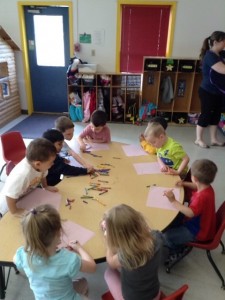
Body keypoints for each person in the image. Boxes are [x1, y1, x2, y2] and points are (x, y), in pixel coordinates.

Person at [14, 204, 96, 300]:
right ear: (58, 233)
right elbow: (92, 267)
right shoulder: (69, 259)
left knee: (80, 282)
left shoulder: (22, 255)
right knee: (84, 282)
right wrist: (78, 248)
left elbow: (16, 260)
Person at [101, 204, 163, 300]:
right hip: (154, 293)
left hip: (132, 298)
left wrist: (108, 238)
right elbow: (145, 233)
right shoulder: (157, 237)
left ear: (118, 235)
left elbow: (111, 263)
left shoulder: (126, 255)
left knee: (109, 273)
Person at [163, 159, 217, 263]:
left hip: (197, 231)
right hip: (202, 224)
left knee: (166, 237)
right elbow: (196, 186)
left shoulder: (201, 197)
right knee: (173, 220)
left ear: (194, 178)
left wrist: (173, 201)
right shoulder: (207, 187)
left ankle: (178, 250)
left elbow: (190, 213)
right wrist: (184, 183)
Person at [0, 138, 58, 217]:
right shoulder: (22, 175)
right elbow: (9, 195)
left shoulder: (40, 166)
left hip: (24, 196)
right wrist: (15, 211)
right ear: (38, 164)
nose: (53, 164)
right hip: (9, 204)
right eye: (50, 162)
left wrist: (46, 186)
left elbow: (43, 175)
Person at [195, 31, 225, 148]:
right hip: (207, 91)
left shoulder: (221, 54)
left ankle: (213, 139)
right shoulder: (210, 56)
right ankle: (198, 139)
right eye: (224, 41)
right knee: (206, 115)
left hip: (219, 92)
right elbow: (222, 70)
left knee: (216, 115)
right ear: (216, 42)